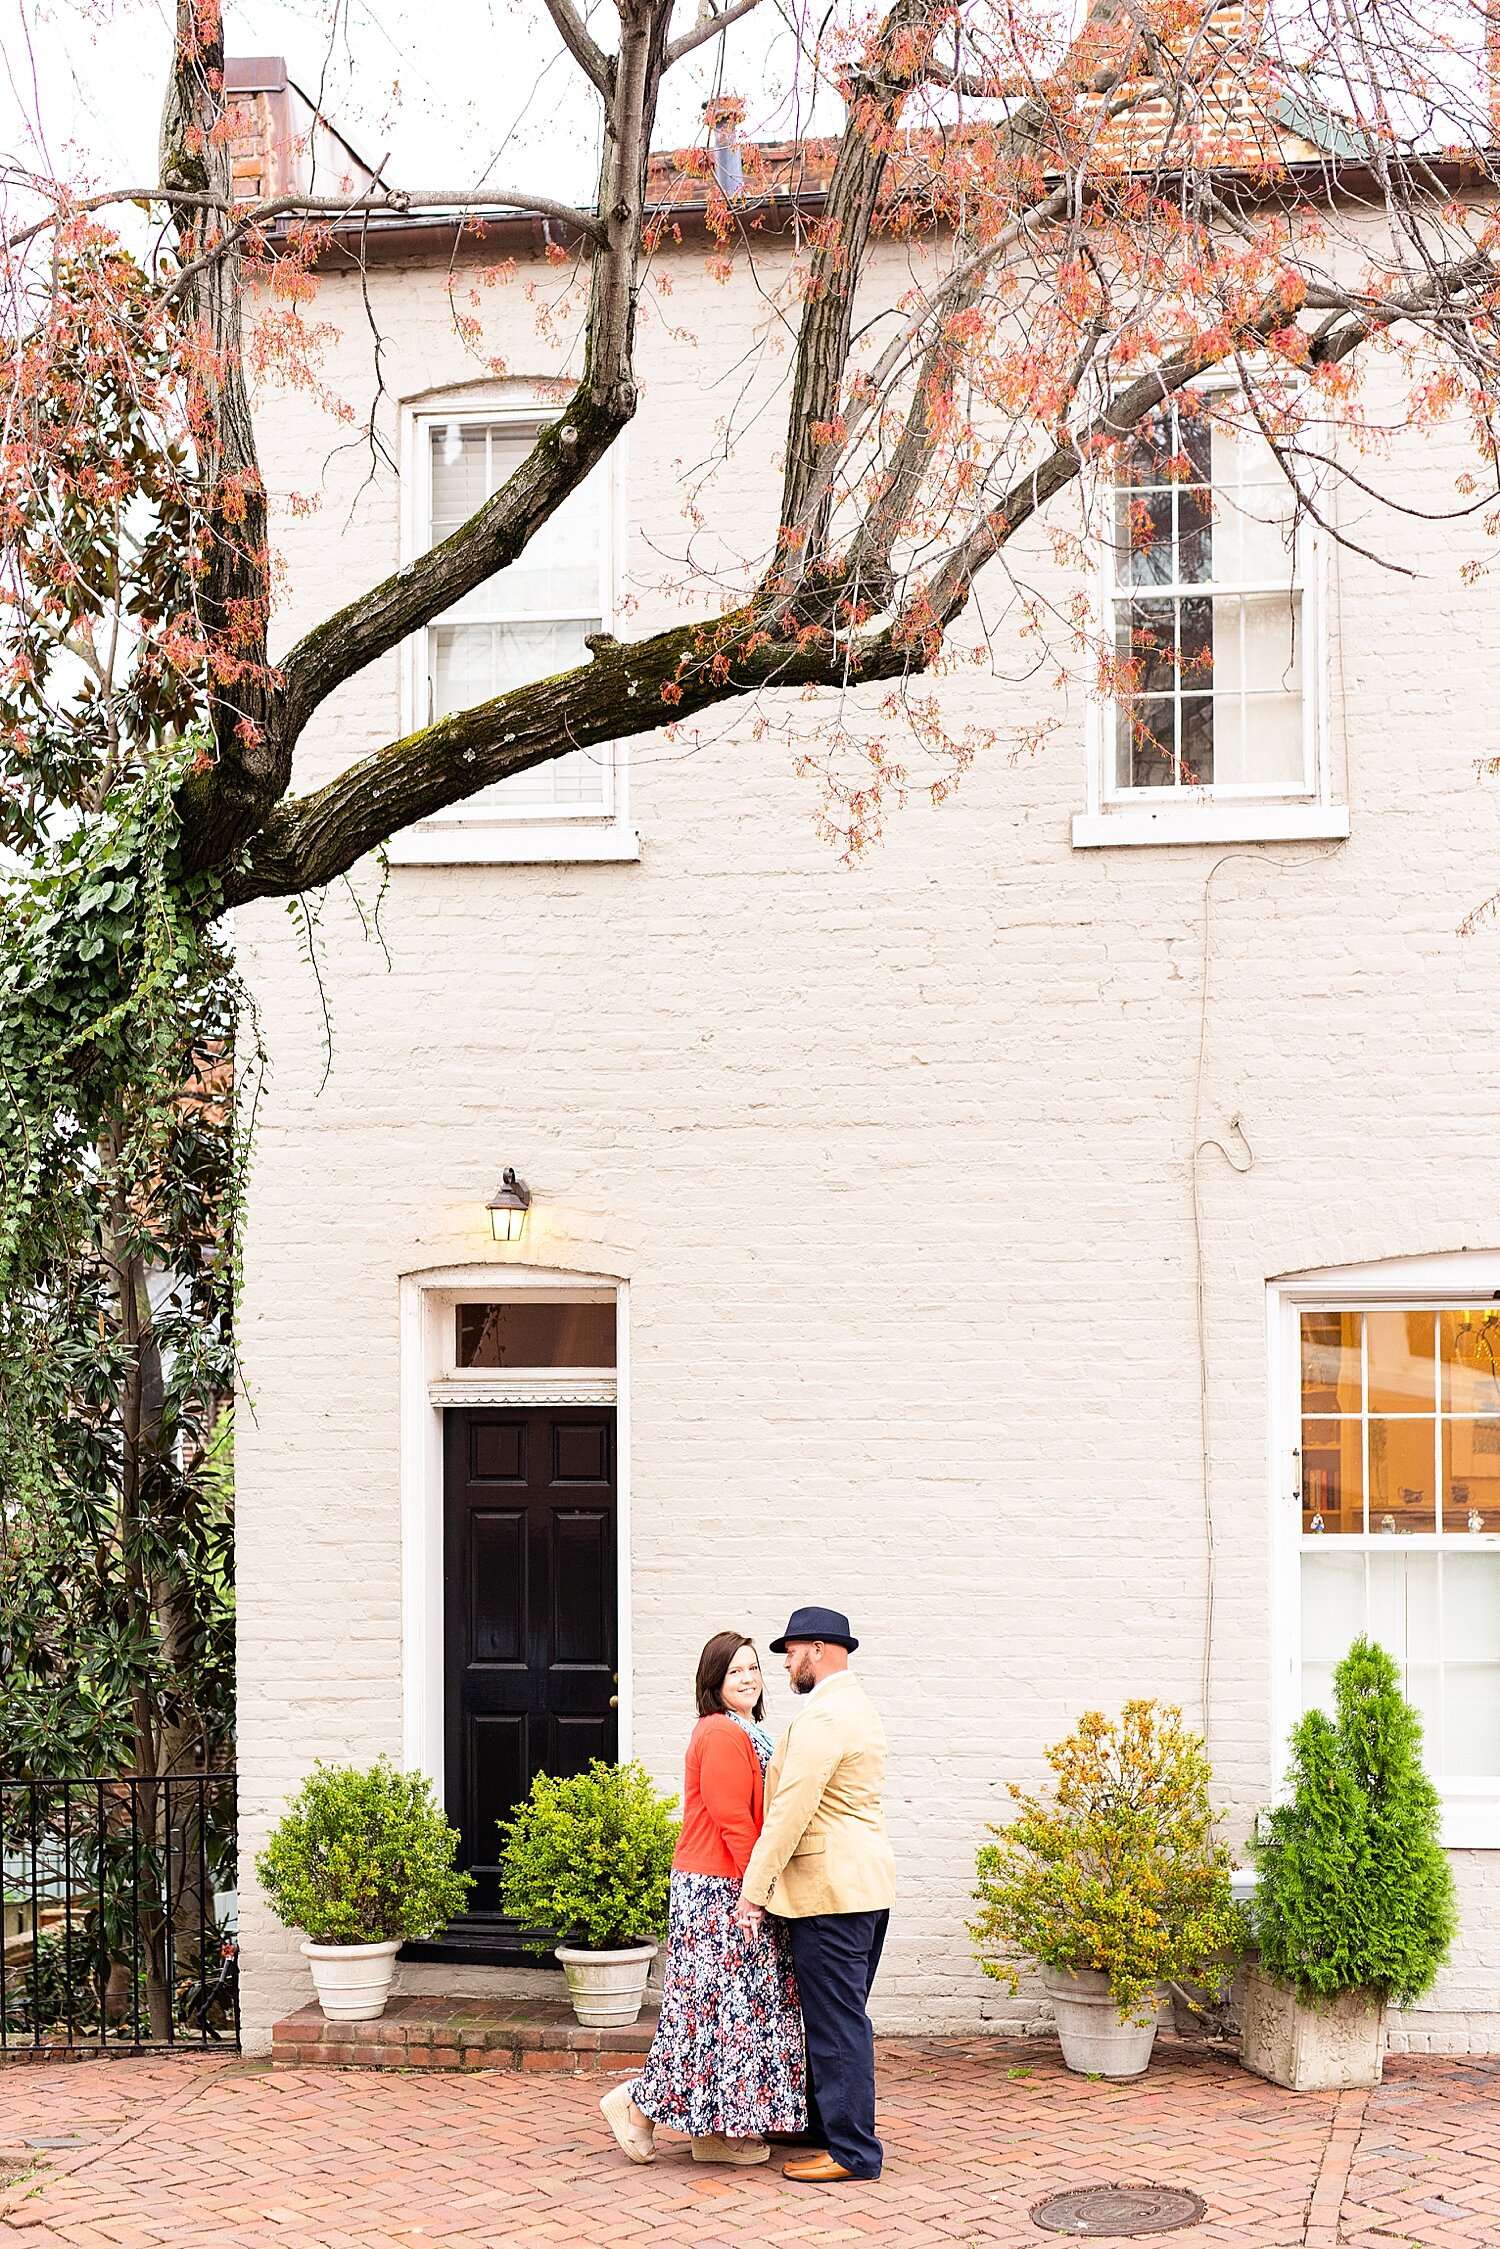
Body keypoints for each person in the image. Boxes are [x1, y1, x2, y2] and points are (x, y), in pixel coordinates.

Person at [600, 1631, 806, 2167]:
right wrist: (755, 1892)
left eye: (754, 1668)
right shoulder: (720, 1732)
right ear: (713, 1681)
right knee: (711, 2014)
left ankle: (717, 2132)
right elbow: (732, 1818)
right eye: (735, 1670)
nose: (748, 1678)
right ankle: (637, 2105)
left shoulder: (749, 1730)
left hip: (732, 1883)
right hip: (719, 1888)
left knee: (730, 2016)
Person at [734, 1605, 896, 2185]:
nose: (785, 1664)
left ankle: (852, 2151)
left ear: (821, 1650)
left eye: (791, 1651)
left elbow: (789, 1812)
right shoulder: (856, 1707)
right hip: (863, 1888)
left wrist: (754, 1891)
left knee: (837, 2023)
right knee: (836, 2017)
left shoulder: (826, 1717)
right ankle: (827, 2126)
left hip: (831, 1895)